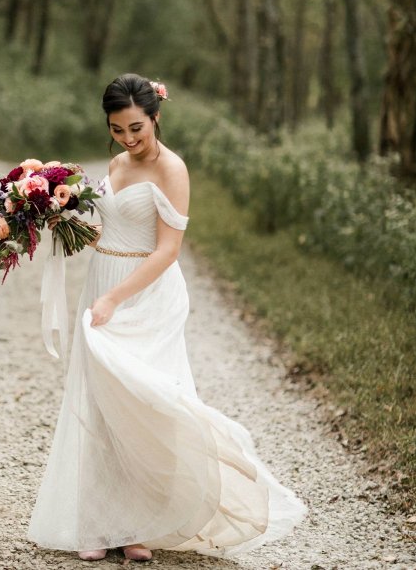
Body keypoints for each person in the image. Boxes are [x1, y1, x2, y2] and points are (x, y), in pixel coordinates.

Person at [26, 73, 307, 562]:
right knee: (101, 401)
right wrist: (63, 222)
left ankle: (137, 525)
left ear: (155, 116)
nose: (129, 139)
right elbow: (107, 234)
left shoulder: (172, 170)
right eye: (117, 129)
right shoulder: (114, 164)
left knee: (145, 403)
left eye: (136, 127)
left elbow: (167, 250)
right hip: (104, 277)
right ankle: (97, 521)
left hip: (146, 292)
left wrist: (115, 299)